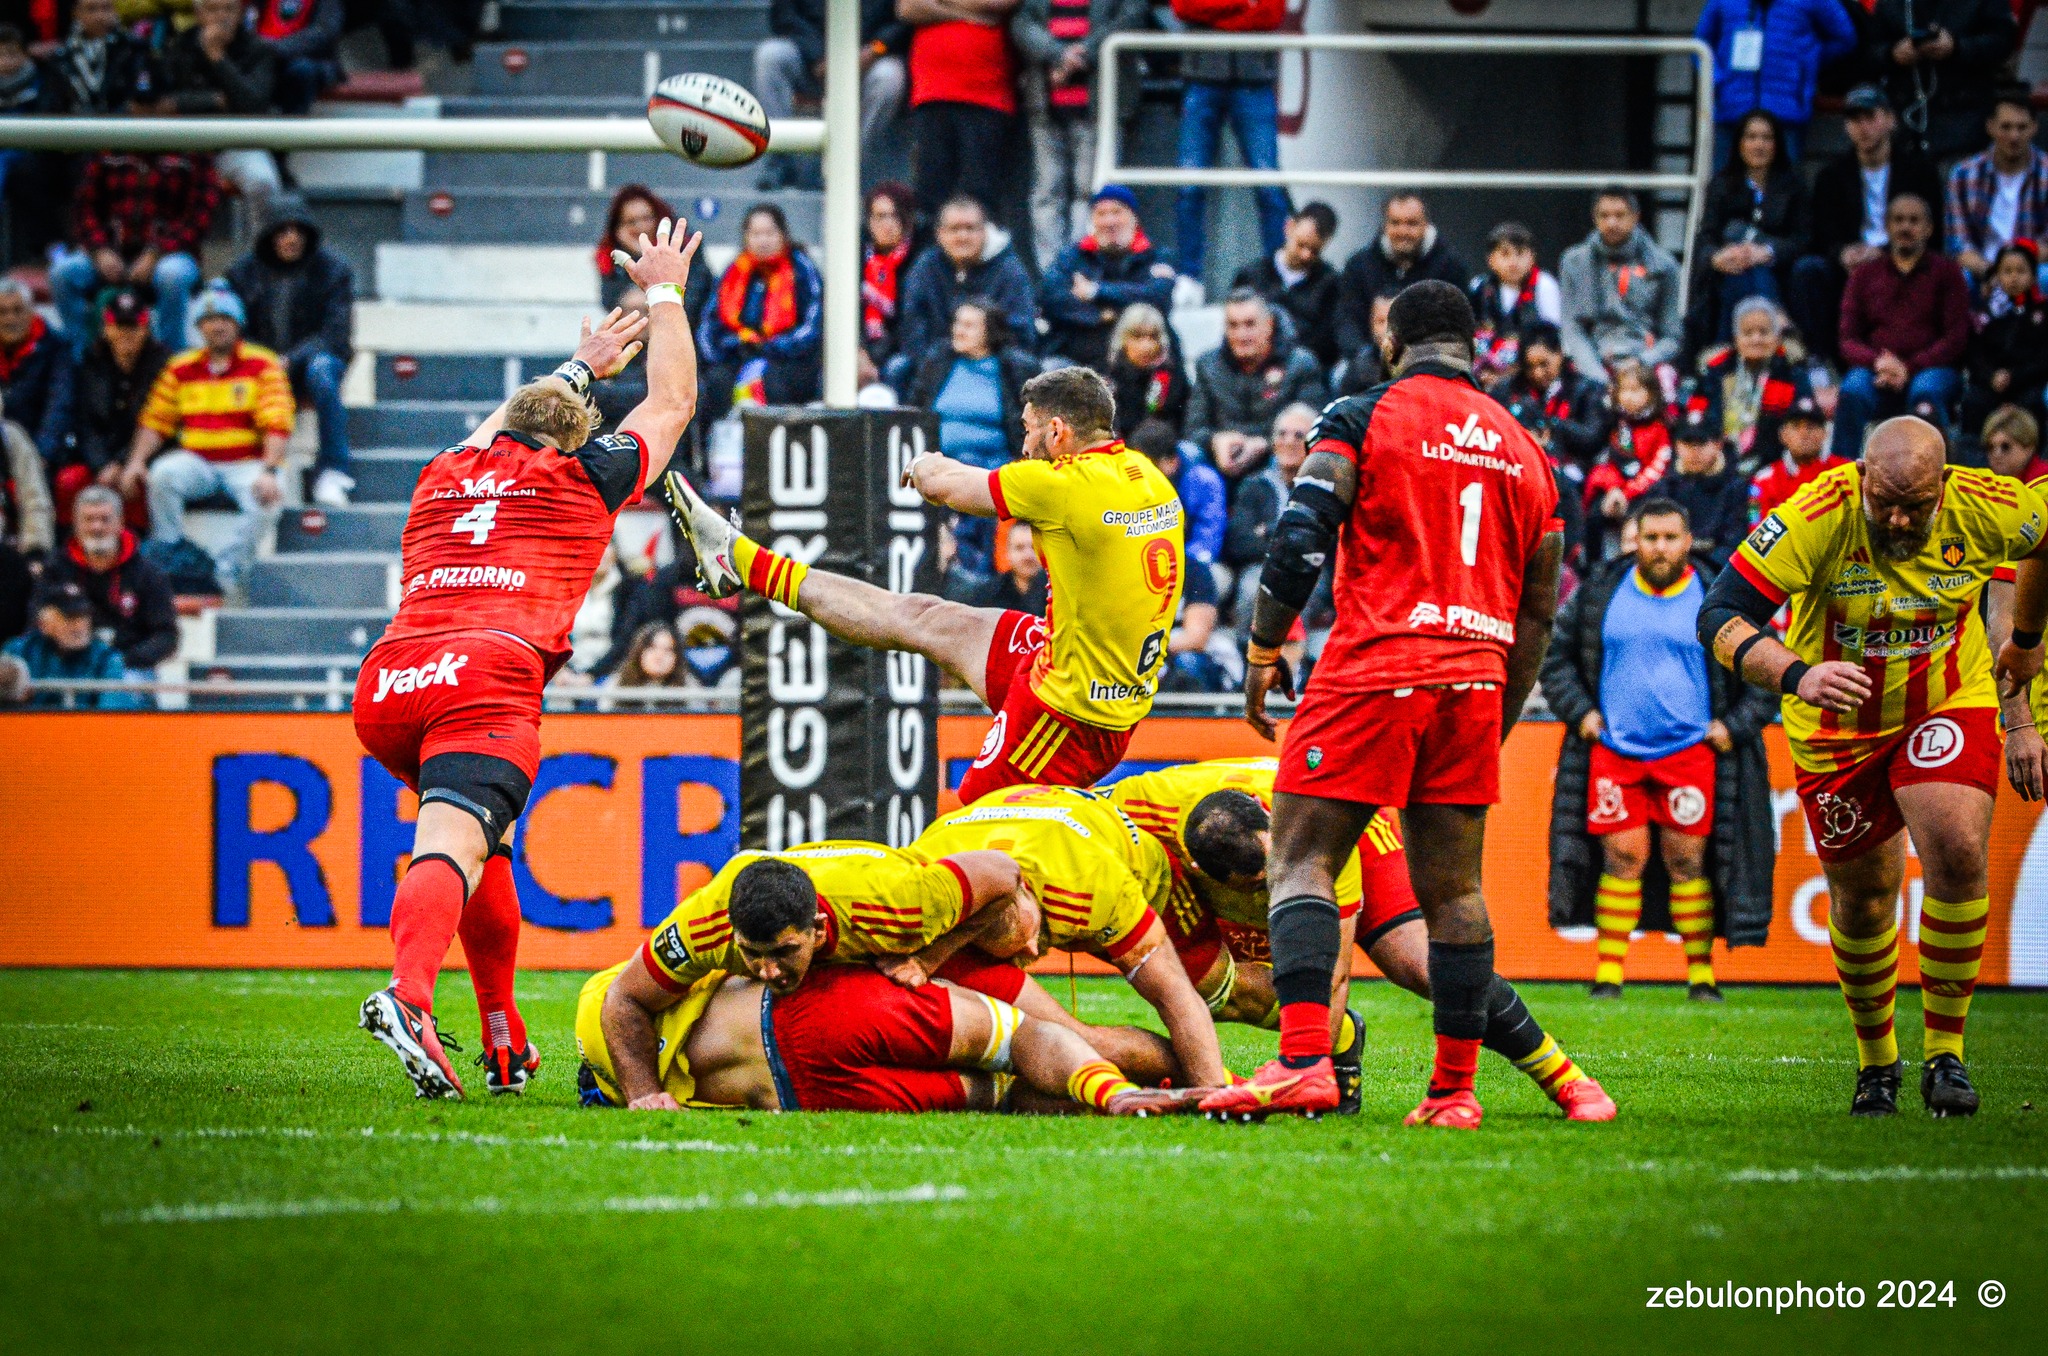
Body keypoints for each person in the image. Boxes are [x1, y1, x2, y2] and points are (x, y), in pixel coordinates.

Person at [1206, 280, 1576, 1127]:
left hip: (1377, 662)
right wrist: (1497, 710)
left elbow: (1301, 536)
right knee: (1454, 892)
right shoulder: (1529, 450)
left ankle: (1303, 1062)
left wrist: (1264, 648)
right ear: (1475, 347)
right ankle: (1452, 1094)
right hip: (1476, 676)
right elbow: (1541, 609)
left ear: (1392, 340)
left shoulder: (1364, 413)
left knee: (1299, 858)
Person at [351, 218, 699, 1101]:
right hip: (486, 675)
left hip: (389, 681)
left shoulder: (444, 468)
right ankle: (409, 996)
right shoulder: (583, 476)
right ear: (578, 438)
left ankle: (503, 1037)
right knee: (453, 844)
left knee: (484, 849)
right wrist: (666, 294)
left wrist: (579, 365)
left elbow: (503, 424)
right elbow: (673, 405)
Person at [1699, 417, 2048, 1115]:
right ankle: (1877, 1062)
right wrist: (1796, 673)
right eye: (1883, 500)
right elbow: (1719, 617)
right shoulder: (1813, 514)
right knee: (1863, 899)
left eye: (1914, 506)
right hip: (1835, 724)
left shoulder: (1988, 503)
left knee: (1953, 845)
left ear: (1943, 488)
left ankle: (1946, 1055)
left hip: (1947, 698)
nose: (1896, 517)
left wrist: (2028, 642)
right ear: (1859, 475)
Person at [669, 365, 1182, 805]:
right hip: (1079, 666)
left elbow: (942, 486)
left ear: (1056, 431)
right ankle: (741, 563)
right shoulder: (1148, 477)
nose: (1024, 446)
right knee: (925, 618)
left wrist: (920, 462)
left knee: (978, 836)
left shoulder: (1062, 484)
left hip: (1067, 715)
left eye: (1027, 432)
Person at [1111, 758, 1613, 1120]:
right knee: (1210, 988)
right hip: (1194, 875)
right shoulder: (1135, 808)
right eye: (1262, 884)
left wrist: (1309, 1067)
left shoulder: (1308, 826)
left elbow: (1334, 971)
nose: (1272, 891)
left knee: (1420, 965)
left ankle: (1568, 1080)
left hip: (1343, 839)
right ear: (1205, 870)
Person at [1543, 499, 1779, 1002]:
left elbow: (1766, 668)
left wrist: (1732, 726)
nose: (1660, 548)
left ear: (1688, 540)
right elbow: (1557, 655)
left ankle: (1701, 977)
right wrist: (1580, 712)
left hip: (1691, 751)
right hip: (1615, 749)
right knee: (1621, 857)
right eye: (1650, 538)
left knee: (1687, 861)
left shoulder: (1717, 595)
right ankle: (1608, 978)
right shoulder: (1602, 589)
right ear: (1635, 539)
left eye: (1670, 538)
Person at [908, 783, 1231, 1088]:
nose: (1034, 951)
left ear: (1028, 893)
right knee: (1072, 1038)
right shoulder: (929, 877)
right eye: (1017, 949)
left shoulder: (1093, 881)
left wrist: (1215, 1093)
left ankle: (1228, 1083)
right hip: (1011, 848)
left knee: (1213, 991)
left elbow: (1173, 995)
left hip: (1142, 872)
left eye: (1036, 932)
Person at [579, 960, 1198, 1114]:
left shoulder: (616, 1031)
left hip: (808, 1088)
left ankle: (1136, 1098)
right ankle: (1157, 1089)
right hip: (828, 1012)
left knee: (1004, 1092)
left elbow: (623, 1002)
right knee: (1025, 1044)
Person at [117, 288, 293, 600]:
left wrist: (269, 469)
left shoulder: (262, 364)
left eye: (225, 318)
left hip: (247, 462)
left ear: (238, 324)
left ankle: (228, 569)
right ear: (199, 327)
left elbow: (277, 420)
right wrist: (135, 462)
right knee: (163, 475)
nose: (217, 325)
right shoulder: (180, 367)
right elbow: (156, 420)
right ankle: (169, 554)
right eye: (209, 319)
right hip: (198, 460)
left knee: (267, 500)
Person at [225, 196, 356, 508]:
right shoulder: (243, 273)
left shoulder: (333, 270)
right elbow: (232, 327)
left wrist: (290, 359)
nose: (291, 238)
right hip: (260, 364)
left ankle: (333, 471)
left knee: (323, 371)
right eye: (282, 231)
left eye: (298, 231)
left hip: (312, 363)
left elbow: (336, 335)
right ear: (269, 235)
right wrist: (266, 361)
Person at [1796, 85, 1944, 362]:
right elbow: (1822, 233)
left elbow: (1932, 233)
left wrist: (1885, 252)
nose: (1863, 127)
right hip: (1850, 263)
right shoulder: (1831, 175)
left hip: (1902, 257)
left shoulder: (1919, 170)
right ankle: (1818, 361)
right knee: (1809, 270)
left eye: (1870, 117)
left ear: (1890, 120)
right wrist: (1843, 252)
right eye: (1854, 120)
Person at [1835, 193, 1971, 460]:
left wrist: (1908, 368)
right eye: (1898, 220)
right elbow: (1847, 339)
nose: (1905, 227)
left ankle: (1936, 478)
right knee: (1852, 390)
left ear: (1929, 228)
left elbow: (1956, 338)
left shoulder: (1948, 273)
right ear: (1886, 226)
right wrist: (1879, 363)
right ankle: (1839, 477)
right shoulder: (1864, 274)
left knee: (1926, 390)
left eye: (1914, 220)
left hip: (1931, 370)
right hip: (1878, 371)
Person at [1011, 0, 1146, 268]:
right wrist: (1056, 53)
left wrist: (1081, 54)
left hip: (1102, 109)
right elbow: (1021, 24)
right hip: (1045, 106)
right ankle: (1053, 272)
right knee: (1047, 192)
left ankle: (1082, 267)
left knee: (1092, 192)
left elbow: (1133, 15)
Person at [53, 152, 218, 358]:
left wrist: (156, 252)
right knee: (63, 273)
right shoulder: (108, 151)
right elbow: (84, 208)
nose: (150, 116)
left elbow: (198, 219)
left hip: (173, 253)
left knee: (171, 276)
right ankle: (79, 359)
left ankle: (171, 360)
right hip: (109, 250)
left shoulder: (193, 154)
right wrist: (99, 249)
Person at [1172, 15, 1288, 284]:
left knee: (1270, 186)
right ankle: (1188, 279)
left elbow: (1272, 11)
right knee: (1188, 186)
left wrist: (1217, 15)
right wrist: (1244, 8)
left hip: (1254, 80)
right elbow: (1185, 6)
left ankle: (1280, 279)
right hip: (1201, 78)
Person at [753, 0, 909, 191]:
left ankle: (845, 165)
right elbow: (784, 15)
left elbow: (902, 20)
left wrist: (875, 50)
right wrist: (818, 56)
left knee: (889, 78)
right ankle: (779, 160)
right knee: (770, 56)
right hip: (811, 59)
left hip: (870, 58)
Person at [1690, 110, 1810, 350]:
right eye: (1751, 137)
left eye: (1766, 138)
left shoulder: (1793, 185)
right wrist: (1717, 257)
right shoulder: (1721, 184)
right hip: (1732, 268)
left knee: (1739, 239)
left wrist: (1766, 251)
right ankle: (1776, 315)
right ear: (1739, 144)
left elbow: (1803, 238)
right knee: (1739, 258)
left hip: (1780, 270)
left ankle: (1723, 347)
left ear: (1777, 144)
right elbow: (1706, 238)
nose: (1759, 145)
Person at [696, 204, 824, 424]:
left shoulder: (803, 270)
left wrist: (768, 347)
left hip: (788, 360)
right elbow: (709, 327)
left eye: (769, 233)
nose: (763, 241)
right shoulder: (733, 272)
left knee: (771, 381)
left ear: (783, 235)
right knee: (715, 382)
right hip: (738, 353)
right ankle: (717, 452)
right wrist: (731, 348)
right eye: (755, 234)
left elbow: (812, 328)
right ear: (746, 237)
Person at [150, 0, 282, 209]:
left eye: (229, 9)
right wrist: (214, 101)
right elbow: (162, 103)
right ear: (199, 14)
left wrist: (217, 57)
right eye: (213, 9)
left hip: (237, 144)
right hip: (184, 145)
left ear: (240, 14)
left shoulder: (259, 49)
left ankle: (263, 242)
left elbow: (253, 105)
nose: (221, 16)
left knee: (262, 181)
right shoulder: (180, 46)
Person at [1185, 289, 1326, 483]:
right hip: (1221, 459)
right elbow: (1193, 427)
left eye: (1249, 324)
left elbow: (1313, 426)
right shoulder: (1208, 365)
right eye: (1233, 326)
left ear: (1269, 325)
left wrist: (1265, 443)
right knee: (1189, 455)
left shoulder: (1300, 364)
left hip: (1276, 458)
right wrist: (1215, 441)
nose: (1241, 335)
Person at [1693, 0, 1855, 168]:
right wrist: (1719, 80)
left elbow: (1844, 37)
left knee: (1785, 186)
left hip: (1786, 110)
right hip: (1732, 108)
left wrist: (1806, 65)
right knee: (1724, 185)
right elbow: (1700, 46)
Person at [900, 0, 1020, 225]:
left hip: (986, 95)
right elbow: (907, 7)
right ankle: (931, 259)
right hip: (931, 93)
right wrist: (970, 13)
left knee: (979, 197)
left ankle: (980, 260)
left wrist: (939, 6)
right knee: (929, 195)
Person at [55, 288, 167, 525]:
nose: (126, 334)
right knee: (68, 481)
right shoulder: (90, 362)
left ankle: (136, 543)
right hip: (99, 456)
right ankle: (69, 545)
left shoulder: (164, 365)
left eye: (134, 327)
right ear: (106, 329)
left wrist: (123, 461)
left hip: (143, 457)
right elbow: (84, 423)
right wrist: (102, 464)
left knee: (135, 483)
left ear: (146, 329)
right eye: (119, 326)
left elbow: (159, 422)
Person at [895, 195, 1037, 382]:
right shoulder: (925, 267)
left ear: (985, 231)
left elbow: (1021, 334)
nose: (962, 237)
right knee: (898, 368)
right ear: (939, 233)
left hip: (995, 369)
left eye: (970, 228)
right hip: (934, 367)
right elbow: (912, 327)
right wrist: (938, 363)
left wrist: (981, 353)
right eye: (954, 229)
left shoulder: (1010, 271)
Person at [1036, 184, 1176, 370]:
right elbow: (1050, 299)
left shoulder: (1157, 257)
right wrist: (1101, 315)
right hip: (1074, 361)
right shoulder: (1072, 256)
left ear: (1134, 217)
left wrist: (1095, 291)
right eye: (1101, 214)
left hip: (1138, 368)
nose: (1109, 221)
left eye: (1117, 212)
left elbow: (1158, 298)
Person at [1862, 0, 2019, 161]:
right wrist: (1892, 53)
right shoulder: (1890, 4)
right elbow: (1869, 50)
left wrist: (1957, 47)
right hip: (1905, 125)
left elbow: (2003, 41)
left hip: (1964, 120)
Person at [1558, 187, 1684, 387]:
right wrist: (1599, 377)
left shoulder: (1663, 265)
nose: (1612, 223)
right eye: (1604, 216)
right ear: (1594, 218)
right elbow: (1572, 330)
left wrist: (1641, 363)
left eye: (1620, 215)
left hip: (1645, 361)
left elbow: (1672, 337)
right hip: (1592, 362)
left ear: (1636, 217)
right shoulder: (1574, 262)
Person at [43, 485, 179, 670]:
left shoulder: (149, 573)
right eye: (89, 519)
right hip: (68, 665)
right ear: (75, 523)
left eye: (105, 519)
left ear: (120, 522)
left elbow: (166, 636)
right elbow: (37, 622)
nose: (97, 527)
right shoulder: (56, 569)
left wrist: (119, 663)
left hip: (129, 667)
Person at [1334, 194, 1469, 378]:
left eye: (1412, 223)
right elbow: (1346, 320)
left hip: (1431, 365)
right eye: (1395, 223)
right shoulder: (1358, 266)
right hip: (1369, 360)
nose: (1403, 231)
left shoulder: (1451, 269)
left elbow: (1458, 327)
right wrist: (1364, 354)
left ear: (1426, 224)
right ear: (1384, 225)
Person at [908, 297, 1037, 471]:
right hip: (937, 467)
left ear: (989, 332)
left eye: (968, 326)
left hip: (993, 470)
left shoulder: (1013, 369)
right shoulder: (938, 361)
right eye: (957, 323)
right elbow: (914, 411)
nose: (959, 331)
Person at [1686, 297, 1813, 473]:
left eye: (1764, 332)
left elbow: (1803, 422)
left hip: (1775, 465)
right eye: (1748, 332)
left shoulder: (1791, 371)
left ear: (1777, 337)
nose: (1756, 339)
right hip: (1718, 463)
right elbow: (1697, 416)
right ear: (1736, 338)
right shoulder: (1716, 370)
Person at [1944, 87, 2048, 286]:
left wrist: (2013, 272)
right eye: (2006, 127)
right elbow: (1958, 244)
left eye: (2022, 127)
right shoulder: (1964, 174)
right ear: (1990, 127)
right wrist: (1991, 272)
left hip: (2032, 268)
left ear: (2035, 127)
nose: (2014, 136)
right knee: (1957, 279)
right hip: (1981, 268)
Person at [1223, 401, 1314, 618]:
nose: (1288, 441)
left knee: (1299, 590)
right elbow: (1239, 542)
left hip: (1309, 571)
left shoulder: (1321, 487)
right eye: (1282, 434)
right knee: (1253, 588)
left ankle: (1296, 653)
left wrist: (1268, 530)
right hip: (1260, 568)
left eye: (1298, 435)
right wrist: (1290, 539)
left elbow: (1319, 543)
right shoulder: (1254, 484)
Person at [0, 280, 70, 553]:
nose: (10, 318)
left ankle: (38, 551)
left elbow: (60, 403)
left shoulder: (55, 346)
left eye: (18, 310)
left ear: (32, 312)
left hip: (39, 443)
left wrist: (44, 451)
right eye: (3, 312)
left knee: (32, 465)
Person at [1232, 202, 1343, 370]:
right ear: (1289, 227)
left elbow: (1327, 344)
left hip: (1303, 371)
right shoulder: (1250, 276)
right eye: (1301, 245)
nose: (1306, 255)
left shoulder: (1330, 284)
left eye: (1315, 251)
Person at [1582, 360, 1673, 561]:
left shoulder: (1660, 428)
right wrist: (1613, 489)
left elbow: (1656, 470)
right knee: (1595, 514)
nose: (1630, 397)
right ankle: (1593, 570)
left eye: (1637, 390)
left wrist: (1626, 493)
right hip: (1617, 489)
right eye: (1625, 391)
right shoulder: (1618, 425)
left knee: (1639, 520)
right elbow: (1610, 463)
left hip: (1645, 492)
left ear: (1652, 394)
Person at [2, 578, 141, 709]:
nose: (79, 626)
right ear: (44, 624)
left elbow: (110, 712)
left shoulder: (106, 658)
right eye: (69, 618)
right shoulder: (19, 651)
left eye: (83, 616)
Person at [1487, 322, 1608, 468]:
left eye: (1544, 364)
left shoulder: (1587, 389)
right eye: (1530, 366)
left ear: (1559, 353)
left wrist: (1550, 425)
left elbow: (1592, 438)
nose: (1537, 373)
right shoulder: (1509, 389)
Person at [1961, 241, 2048, 440]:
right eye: (2007, 271)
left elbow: (2043, 357)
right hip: (1990, 382)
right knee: (1973, 402)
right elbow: (1974, 354)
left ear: (2034, 276)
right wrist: (1991, 376)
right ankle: (1974, 462)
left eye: (2021, 271)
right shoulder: (1986, 314)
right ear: (1997, 276)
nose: (2014, 277)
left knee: (2034, 403)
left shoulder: (2042, 312)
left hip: (2027, 383)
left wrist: (2014, 377)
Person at [595, 186, 713, 320]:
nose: (641, 227)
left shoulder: (683, 246)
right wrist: (637, 254)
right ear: (619, 227)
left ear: (659, 217)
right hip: (638, 332)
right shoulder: (612, 254)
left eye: (646, 218)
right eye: (631, 222)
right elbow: (611, 302)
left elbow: (693, 300)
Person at [1469, 222, 1562, 388]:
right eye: (1505, 254)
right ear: (1491, 259)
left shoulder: (1544, 285)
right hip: (1481, 373)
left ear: (1532, 257)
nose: (1513, 262)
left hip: (1527, 376)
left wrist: (1510, 375)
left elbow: (1552, 341)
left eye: (1520, 254)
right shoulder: (1478, 286)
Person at [1128, 416, 1223, 577]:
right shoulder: (1129, 477)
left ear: (1172, 462)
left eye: (1149, 466)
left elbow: (1207, 541)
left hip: (1194, 563)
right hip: (1145, 561)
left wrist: (1170, 564)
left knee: (1216, 578)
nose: (1141, 474)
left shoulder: (1204, 481)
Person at [1662, 409, 1752, 566]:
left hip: (1717, 572)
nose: (1694, 452)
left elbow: (1736, 542)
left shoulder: (1736, 488)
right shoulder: (1664, 487)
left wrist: (1701, 570)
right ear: (1676, 446)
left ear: (1718, 444)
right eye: (1687, 443)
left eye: (1701, 443)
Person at [38, 0, 152, 115]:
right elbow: (50, 104)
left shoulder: (134, 49)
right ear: (76, 13)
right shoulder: (62, 57)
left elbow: (144, 97)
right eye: (91, 9)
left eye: (106, 8)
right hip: (73, 129)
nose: (100, 16)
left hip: (122, 127)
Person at [859, 182, 920, 386]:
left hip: (901, 351)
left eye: (895, 216)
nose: (888, 224)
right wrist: (859, 352)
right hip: (862, 349)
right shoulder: (855, 255)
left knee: (897, 369)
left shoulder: (919, 259)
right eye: (880, 216)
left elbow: (914, 321)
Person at [1748, 394, 1842, 524]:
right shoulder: (1763, 480)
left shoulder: (1842, 473)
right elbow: (1756, 530)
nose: (1804, 434)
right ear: (1783, 435)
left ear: (1824, 433)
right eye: (1796, 427)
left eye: (1811, 427)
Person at [1104, 303, 1187, 438]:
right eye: (1137, 337)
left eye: (1153, 337)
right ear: (1124, 339)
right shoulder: (1110, 377)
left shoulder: (1171, 375)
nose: (1146, 346)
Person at [257, 0, 344, 114]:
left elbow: (323, 32)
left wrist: (276, 48)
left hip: (308, 60)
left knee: (301, 70)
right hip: (260, 56)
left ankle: (291, 128)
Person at [971, 516, 1046, 615]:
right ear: (1008, 552)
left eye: (1034, 547)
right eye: (1019, 548)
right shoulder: (987, 596)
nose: (1028, 556)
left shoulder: (1060, 594)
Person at [608, 619, 688, 689]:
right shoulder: (616, 686)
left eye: (668, 650)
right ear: (639, 652)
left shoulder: (689, 689)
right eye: (652, 647)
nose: (659, 655)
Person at [1982, 403, 2048, 483]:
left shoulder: (2043, 479)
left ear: (2028, 447)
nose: (1996, 454)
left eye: (2005, 447)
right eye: (1990, 447)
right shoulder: (1988, 482)